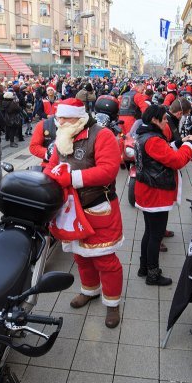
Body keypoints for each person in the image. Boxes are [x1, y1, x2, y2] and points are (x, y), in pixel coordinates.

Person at [45, 99, 124, 328]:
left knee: (105, 260)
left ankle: (112, 303)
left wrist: (71, 179)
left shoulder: (102, 135)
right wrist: (50, 178)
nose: (58, 122)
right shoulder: (63, 135)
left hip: (97, 207)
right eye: (58, 118)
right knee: (80, 256)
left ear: (78, 118)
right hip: (70, 209)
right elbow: (51, 165)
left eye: (63, 118)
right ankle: (89, 290)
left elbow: (109, 171)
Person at [133, 105, 192, 286]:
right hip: (156, 193)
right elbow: (177, 161)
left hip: (147, 190)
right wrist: (189, 144)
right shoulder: (153, 140)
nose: (166, 121)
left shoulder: (143, 135)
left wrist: (180, 142)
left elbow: (163, 152)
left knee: (149, 232)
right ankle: (153, 274)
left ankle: (144, 267)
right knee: (155, 235)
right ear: (154, 120)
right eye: (163, 119)